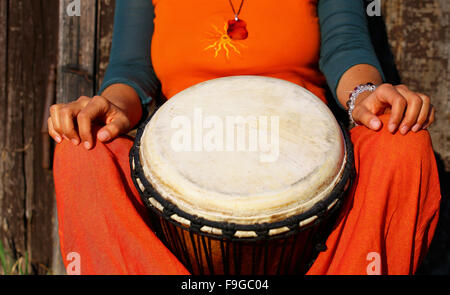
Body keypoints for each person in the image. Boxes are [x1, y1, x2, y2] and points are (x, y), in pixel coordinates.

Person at [49, 0, 441, 275]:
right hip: (190, 144)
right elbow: (131, 70)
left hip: (299, 150)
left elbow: (346, 46)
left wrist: (364, 96)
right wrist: (111, 105)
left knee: (402, 144)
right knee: (81, 150)